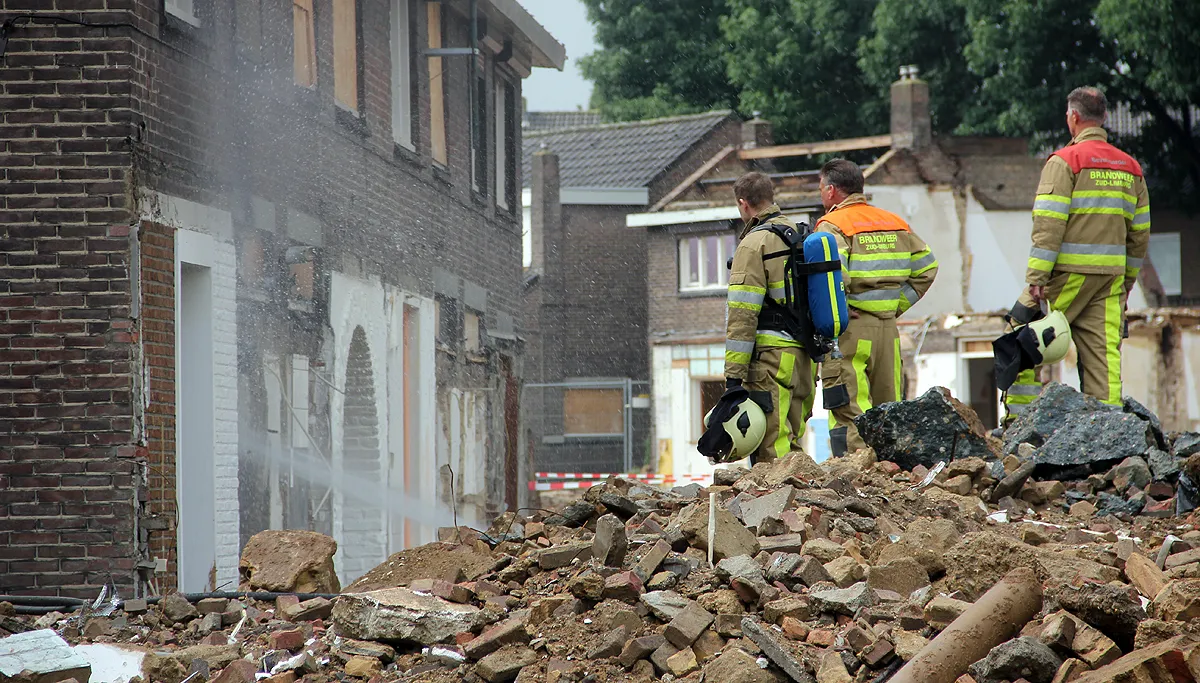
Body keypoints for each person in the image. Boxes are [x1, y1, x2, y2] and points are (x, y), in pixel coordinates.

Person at [1003, 86, 1150, 419]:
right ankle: (1110, 433)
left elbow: (1049, 225)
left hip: (1067, 276)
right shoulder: (1131, 168)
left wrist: (1037, 278)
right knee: (1104, 361)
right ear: (1105, 119)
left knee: (1020, 335)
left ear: (1073, 117)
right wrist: (1127, 282)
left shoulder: (1064, 162)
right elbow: (1140, 234)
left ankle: (1019, 425)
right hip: (1110, 280)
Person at [815, 159, 939, 457]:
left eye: (821, 188)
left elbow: (833, 275)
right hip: (887, 331)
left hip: (851, 329)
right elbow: (927, 268)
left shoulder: (833, 225)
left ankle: (857, 476)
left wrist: (841, 308)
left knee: (849, 409)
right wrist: (894, 306)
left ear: (832, 190)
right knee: (890, 409)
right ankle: (891, 472)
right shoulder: (894, 222)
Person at [722, 171, 816, 464]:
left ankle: (775, 508)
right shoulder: (803, 235)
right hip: (805, 357)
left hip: (771, 361)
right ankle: (799, 505)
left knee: (771, 450)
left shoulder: (753, 244)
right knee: (793, 441)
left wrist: (733, 377)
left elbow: (742, 314)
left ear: (743, 204)